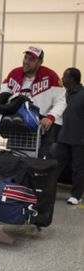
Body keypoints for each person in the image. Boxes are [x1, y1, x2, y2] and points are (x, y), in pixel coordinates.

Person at [0, 46, 66, 158]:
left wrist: (50, 117)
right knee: (14, 157)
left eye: (31, 59)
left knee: (38, 160)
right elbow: (2, 97)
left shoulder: (51, 76)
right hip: (17, 125)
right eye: (25, 58)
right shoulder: (14, 74)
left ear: (40, 62)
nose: (26, 62)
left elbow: (61, 102)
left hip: (42, 126)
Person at [54, 68, 84, 205]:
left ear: (72, 79)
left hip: (80, 139)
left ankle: (76, 195)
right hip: (64, 137)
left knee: (78, 167)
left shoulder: (82, 95)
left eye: (64, 76)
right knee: (56, 164)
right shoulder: (66, 94)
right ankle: (48, 190)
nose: (62, 79)